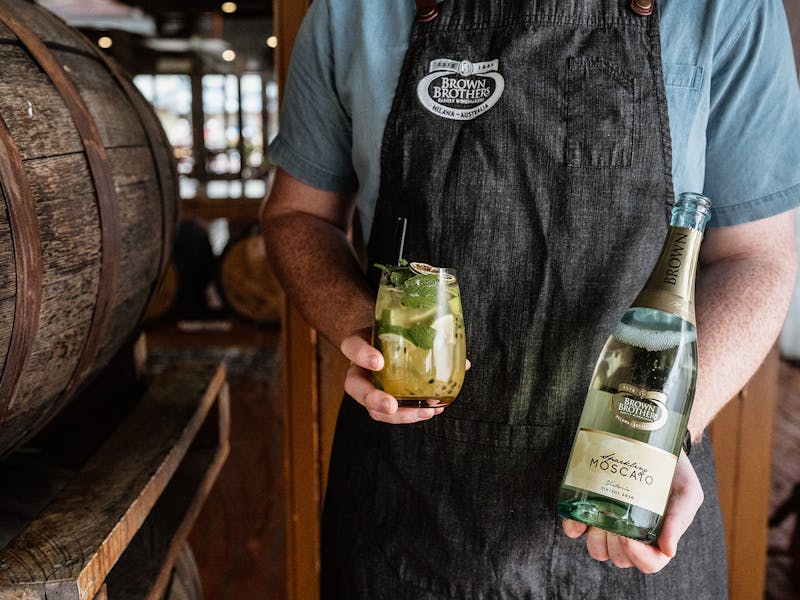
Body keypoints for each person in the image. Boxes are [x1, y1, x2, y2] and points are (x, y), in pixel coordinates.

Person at [261, 0, 800, 597]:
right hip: (406, 506)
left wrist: (664, 437)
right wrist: (366, 328)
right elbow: (298, 216)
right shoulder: (349, 10)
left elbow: (757, 255)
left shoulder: (728, 8)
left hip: (627, 491)